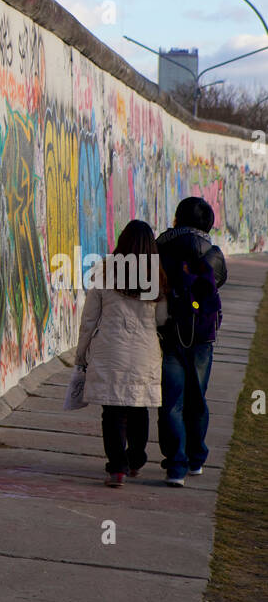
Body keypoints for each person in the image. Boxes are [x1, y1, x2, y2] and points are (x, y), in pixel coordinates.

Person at [74, 220, 166, 487]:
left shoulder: (104, 271)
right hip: (144, 352)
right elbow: (161, 319)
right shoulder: (157, 276)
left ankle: (117, 469)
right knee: (138, 407)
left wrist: (81, 355)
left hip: (110, 351)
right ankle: (136, 460)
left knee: (112, 411)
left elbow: (89, 319)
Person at [155, 197, 227, 486]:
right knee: (197, 399)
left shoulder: (160, 247)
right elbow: (217, 283)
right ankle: (196, 459)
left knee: (171, 401)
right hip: (202, 335)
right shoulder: (213, 252)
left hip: (169, 333)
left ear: (177, 218)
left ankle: (176, 466)